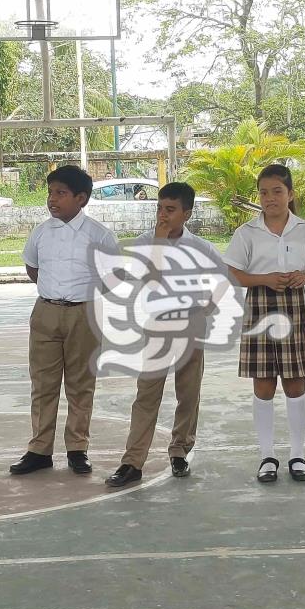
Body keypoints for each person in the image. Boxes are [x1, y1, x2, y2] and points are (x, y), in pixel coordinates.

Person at [105, 182, 227, 487]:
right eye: (159, 208)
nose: (162, 215)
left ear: (186, 213)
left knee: (188, 394)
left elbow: (223, 281)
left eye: (170, 210)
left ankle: (179, 450)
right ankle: (133, 462)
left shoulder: (201, 247)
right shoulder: (145, 242)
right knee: (146, 395)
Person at [11, 164, 118, 476]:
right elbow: (33, 267)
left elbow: (111, 279)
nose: (52, 199)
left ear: (81, 198)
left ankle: (77, 449)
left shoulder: (100, 235)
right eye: (50, 193)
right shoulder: (41, 232)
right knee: (43, 384)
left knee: (80, 384)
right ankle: (39, 450)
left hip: (84, 314)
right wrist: (53, 293)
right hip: (45, 312)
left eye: (61, 193)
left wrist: (82, 296)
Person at [224, 163, 305, 484]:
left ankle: (298, 455)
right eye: (264, 193)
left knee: (295, 384)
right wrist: (265, 279)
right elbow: (234, 274)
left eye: (277, 192)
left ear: (290, 194)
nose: (270, 198)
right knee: (264, 384)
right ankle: (267, 456)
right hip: (259, 308)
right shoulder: (246, 233)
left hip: (295, 308)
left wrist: (303, 276)